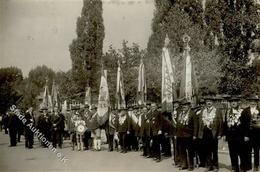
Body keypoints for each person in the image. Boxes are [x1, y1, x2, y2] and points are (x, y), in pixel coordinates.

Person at [196, 95, 223, 172]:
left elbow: (221, 123)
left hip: (213, 133)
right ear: (205, 103)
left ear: (213, 102)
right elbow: (199, 123)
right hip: (204, 133)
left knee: (214, 150)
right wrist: (199, 133)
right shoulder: (202, 111)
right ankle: (209, 165)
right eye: (207, 102)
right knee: (207, 150)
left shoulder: (217, 111)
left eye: (210, 101)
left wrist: (220, 134)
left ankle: (215, 166)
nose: (209, 103)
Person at [223, 96, 247, 172]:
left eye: (235, 101)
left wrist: (246, 135)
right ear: (230, 103)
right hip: (231, 135)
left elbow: (246, 124)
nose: (233, 103)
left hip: (240, 135)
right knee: (232, 153)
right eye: (232, 101)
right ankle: (234, 167)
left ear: (238, 102)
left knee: (242, 152)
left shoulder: (243, 111)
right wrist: (224, 134)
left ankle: (243, 166)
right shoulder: (227, 111)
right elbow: (225, 124)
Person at [240, 95, 260, 172]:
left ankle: (256, 166)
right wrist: (245, 135)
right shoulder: (245, 111)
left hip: (258, 135)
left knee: (256, 151)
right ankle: (247, 166)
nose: (253, 102)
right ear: (249, 102)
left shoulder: (259, 110)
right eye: (251, 101)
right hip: (248, 135)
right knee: (247, 151)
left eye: (254, 101)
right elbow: (243, 124)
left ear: (256, 102)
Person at [176, 99, 196, 170]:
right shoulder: (180, 113)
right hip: (180, 135)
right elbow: (178, 124)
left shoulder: (192, 113)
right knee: (182, 151)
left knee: (190, 151)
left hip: (189, 135)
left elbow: (195, 125)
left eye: (185, 105)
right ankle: (184, 164)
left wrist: (194, 135)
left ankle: (191, 165)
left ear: (188, 105)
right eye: (183, 105)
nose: (184, 106)